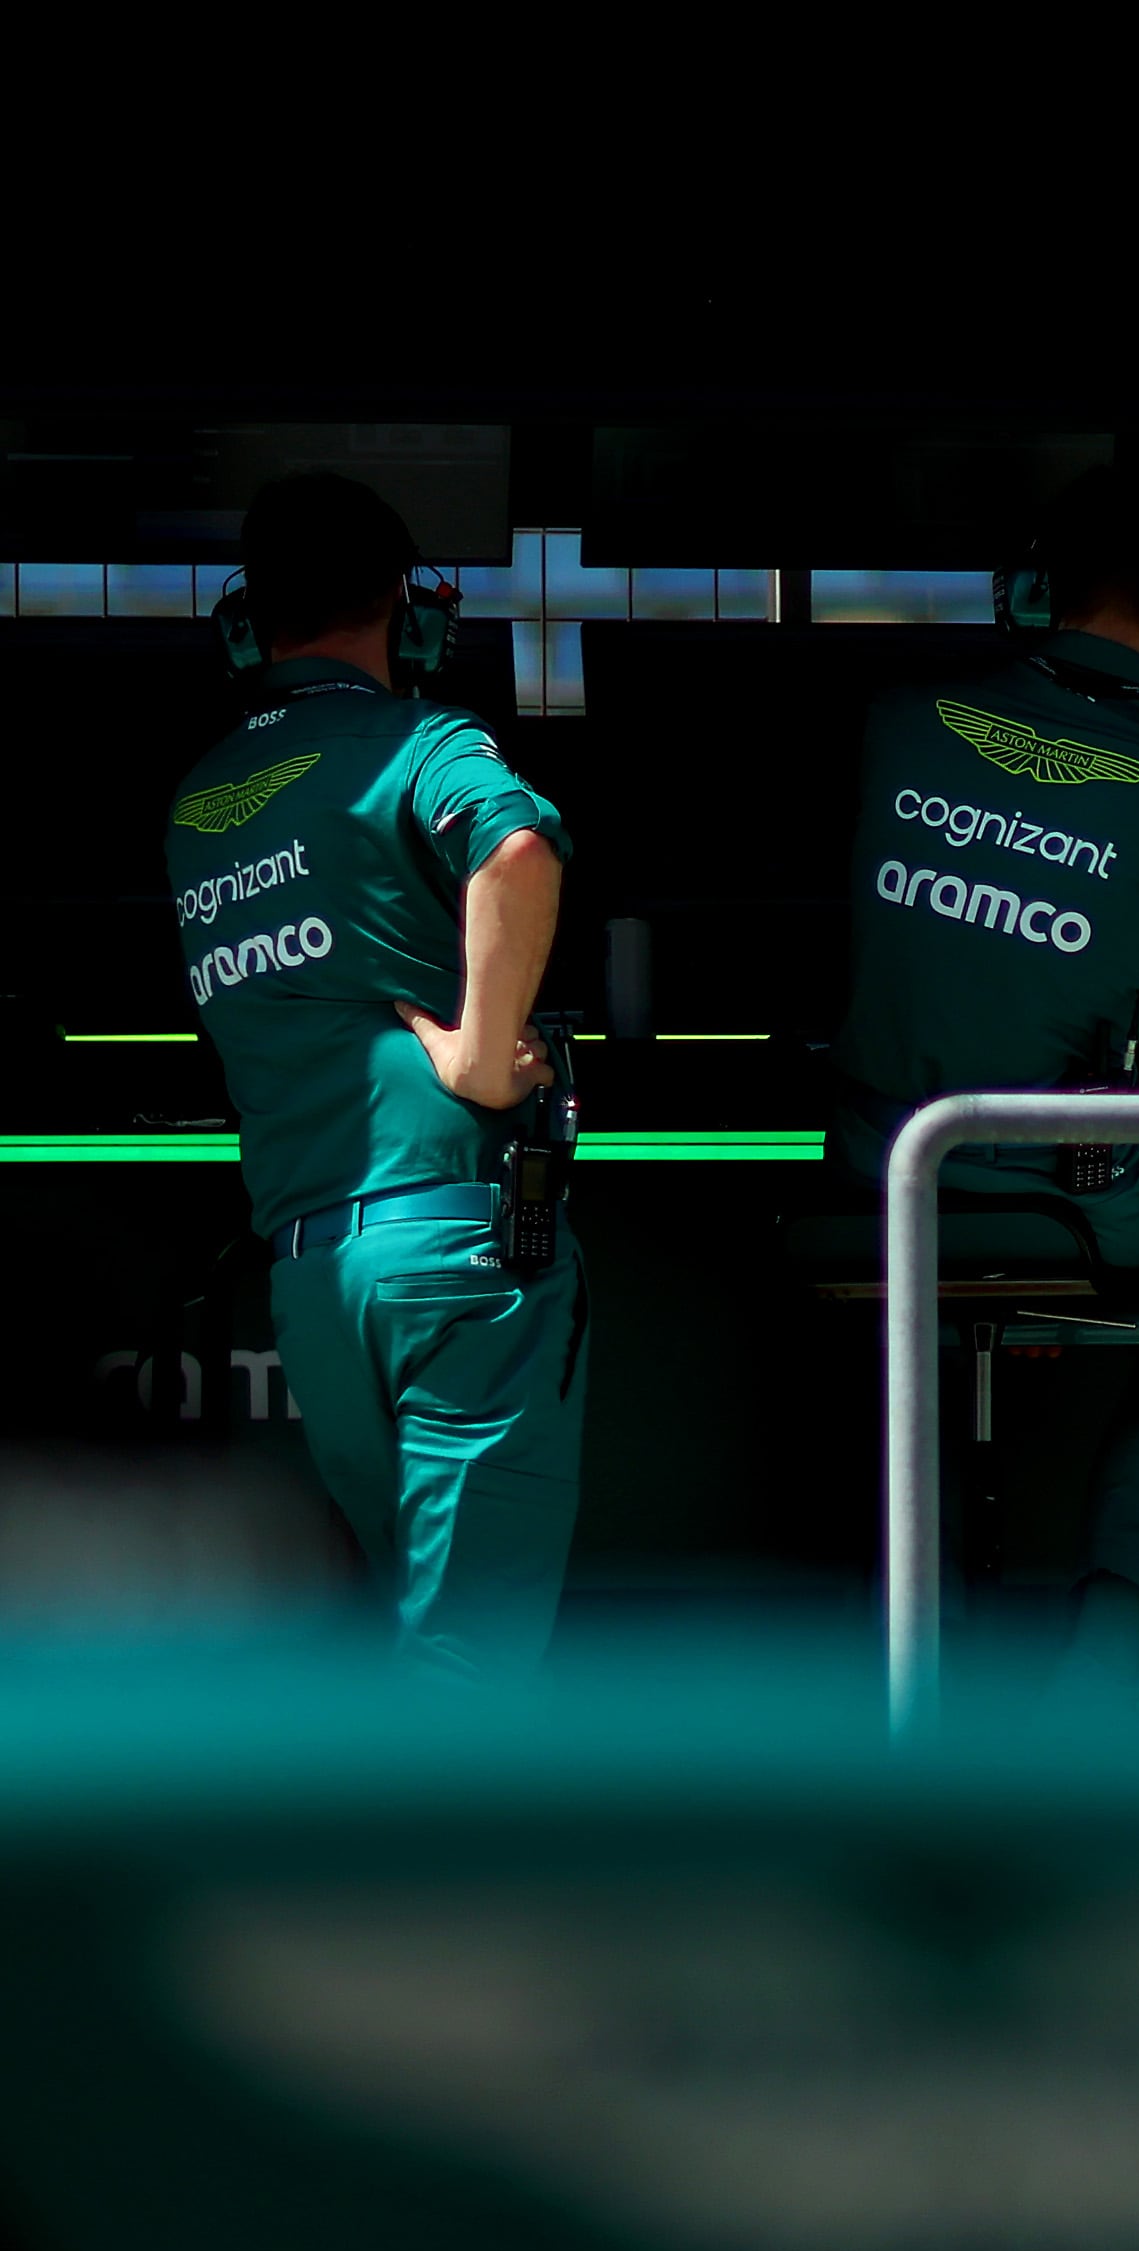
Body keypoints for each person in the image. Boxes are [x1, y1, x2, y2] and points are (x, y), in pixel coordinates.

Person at [823, 470, 1139, 1682]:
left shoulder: (895, 720)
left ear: (1029, 595)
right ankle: (1108, 1639)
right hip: (1081, 1196)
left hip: (880, 1176)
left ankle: (909, 1630)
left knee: (901, 1324)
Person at [165, 471, 581, 1676]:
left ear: (250, 621)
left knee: (401, 1620)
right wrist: (482, 1055)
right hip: (462, 1251)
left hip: (313, 1276)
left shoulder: (199, 800)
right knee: (469, 1654)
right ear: (411, 612)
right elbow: (515, 848)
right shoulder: (424, 743)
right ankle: (437, 1864)